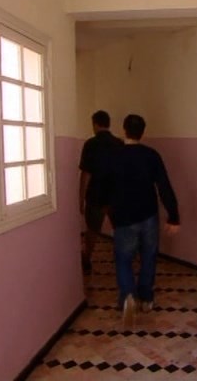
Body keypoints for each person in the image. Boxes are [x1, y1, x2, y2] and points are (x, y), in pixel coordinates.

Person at [99, 114, 180, 326]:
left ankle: (128, 296)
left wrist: (106, 210)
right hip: (148, 215)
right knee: (149, 256)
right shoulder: (151, 155)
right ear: (142, 132)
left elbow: (102, 187)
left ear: (124, 129)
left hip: (123, 217)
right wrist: (174, 216)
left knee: (123, 258)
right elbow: (164, 186)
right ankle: (146, 298)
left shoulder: (113, 156)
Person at [79, 110, 123, 276]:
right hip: (116, 194)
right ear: (108, 123)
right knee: (120, 229)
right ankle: (123, 260)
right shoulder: (119, 143)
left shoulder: (90, 144)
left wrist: (81, 198)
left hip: (95, 194)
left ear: (95, 124)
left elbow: (86, 174)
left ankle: (86, 260)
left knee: (92, 230)